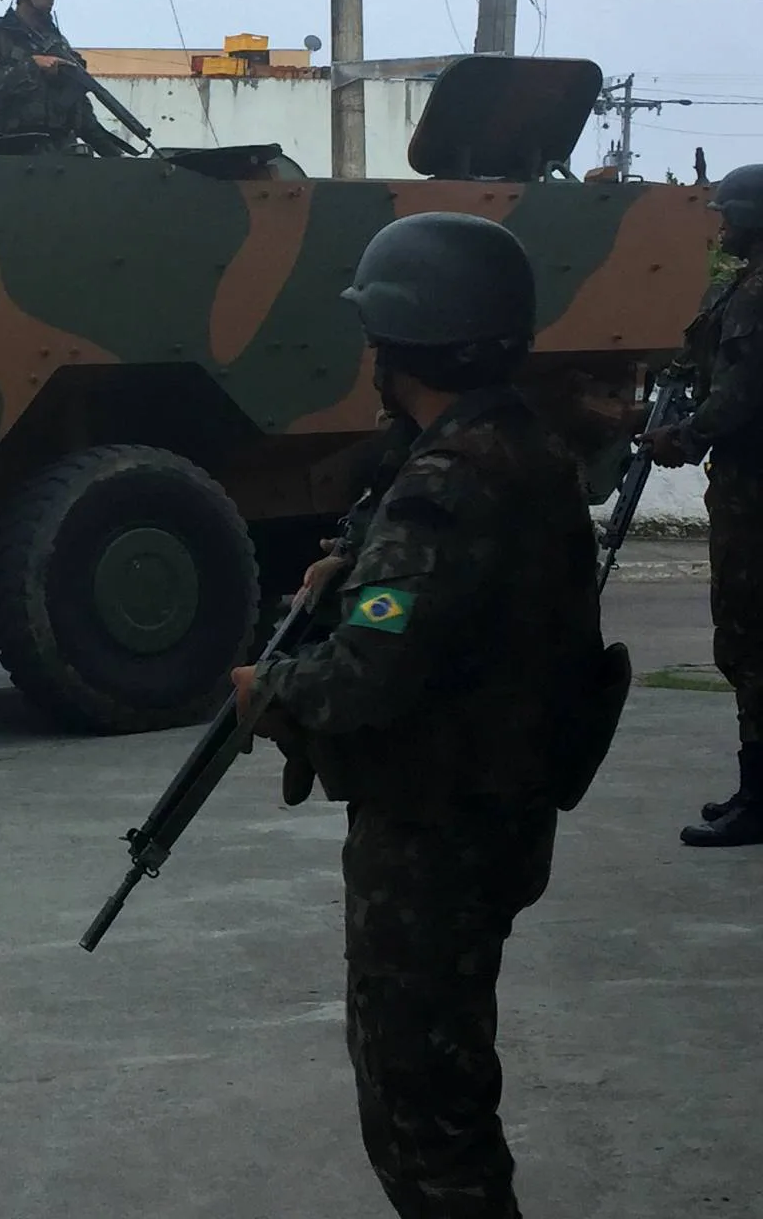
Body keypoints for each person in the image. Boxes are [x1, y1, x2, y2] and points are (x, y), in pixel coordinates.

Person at [228, 211, 605, 1219]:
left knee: (420, 1103)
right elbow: (461, 612)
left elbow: (363, 677)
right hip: (499, 807)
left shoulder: (445, 481)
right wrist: (360, 572)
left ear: (402, 344)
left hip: (440, 828)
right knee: (442, 1076)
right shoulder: (517, 444)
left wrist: (268, 694)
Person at [640, 162, 763, 847]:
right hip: (744, 483)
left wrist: (685, 438)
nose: (723, 225)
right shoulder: (736, 290)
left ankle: (759, 798)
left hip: (754, 488)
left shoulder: (757, 297)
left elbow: (742, 397)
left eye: (731, 214)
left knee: (748, 640)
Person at [0, 0, 126, 156]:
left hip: (61, 153)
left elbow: (79, 108)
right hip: (10, 152)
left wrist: (113, 153)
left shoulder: (56, 42)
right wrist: (32, 67)